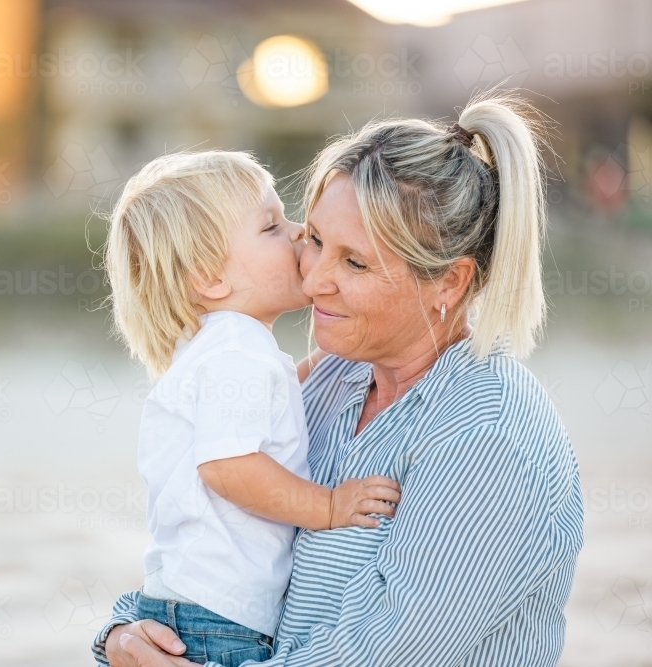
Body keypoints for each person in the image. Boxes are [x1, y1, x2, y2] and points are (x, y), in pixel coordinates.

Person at [94, 93, 584, 667]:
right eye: (318, 240)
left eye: (354, 262)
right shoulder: (334, 378)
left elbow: (381, 653)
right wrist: (122, 635)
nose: (314, 276)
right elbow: (211, 544)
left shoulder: (489, 435)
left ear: (449, 283)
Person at [100, 151, 402, 667]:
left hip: (190, 603)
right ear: (210, 278)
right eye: (270, 226)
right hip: (220, 618)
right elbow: (228, 466)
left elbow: (267, 403)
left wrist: (325, 358)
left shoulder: (219, 348)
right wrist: (327, 507)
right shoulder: (237, 351)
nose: (297, 232)